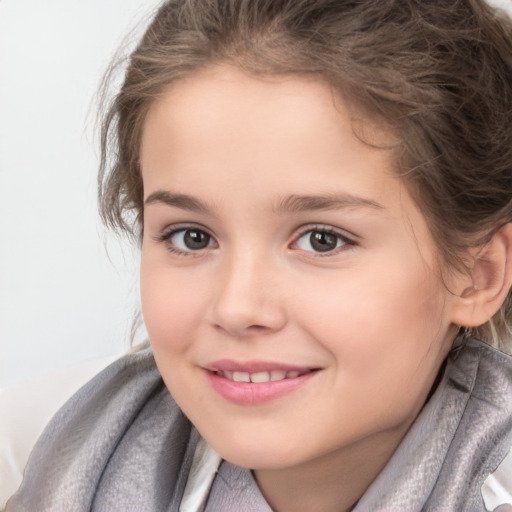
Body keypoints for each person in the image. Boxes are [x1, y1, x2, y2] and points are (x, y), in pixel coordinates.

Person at [6, 0, 512, 510]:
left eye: (322, 239)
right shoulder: (38, 459)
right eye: (192, 237)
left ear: (478, 276)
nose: (237, 307)